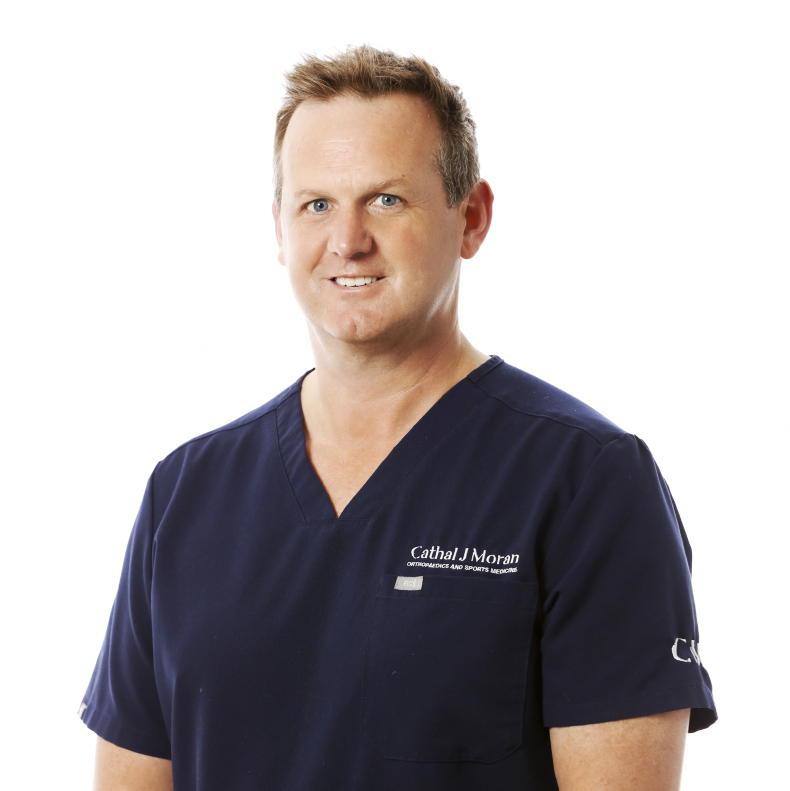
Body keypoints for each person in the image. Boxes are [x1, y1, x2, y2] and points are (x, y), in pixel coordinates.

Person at [78, 44, 718, 790]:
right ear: (279, 228)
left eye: (386, 199)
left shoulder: (587, 482)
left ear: (471, 217)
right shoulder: (187, 492)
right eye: (317, 204)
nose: (348, 241)